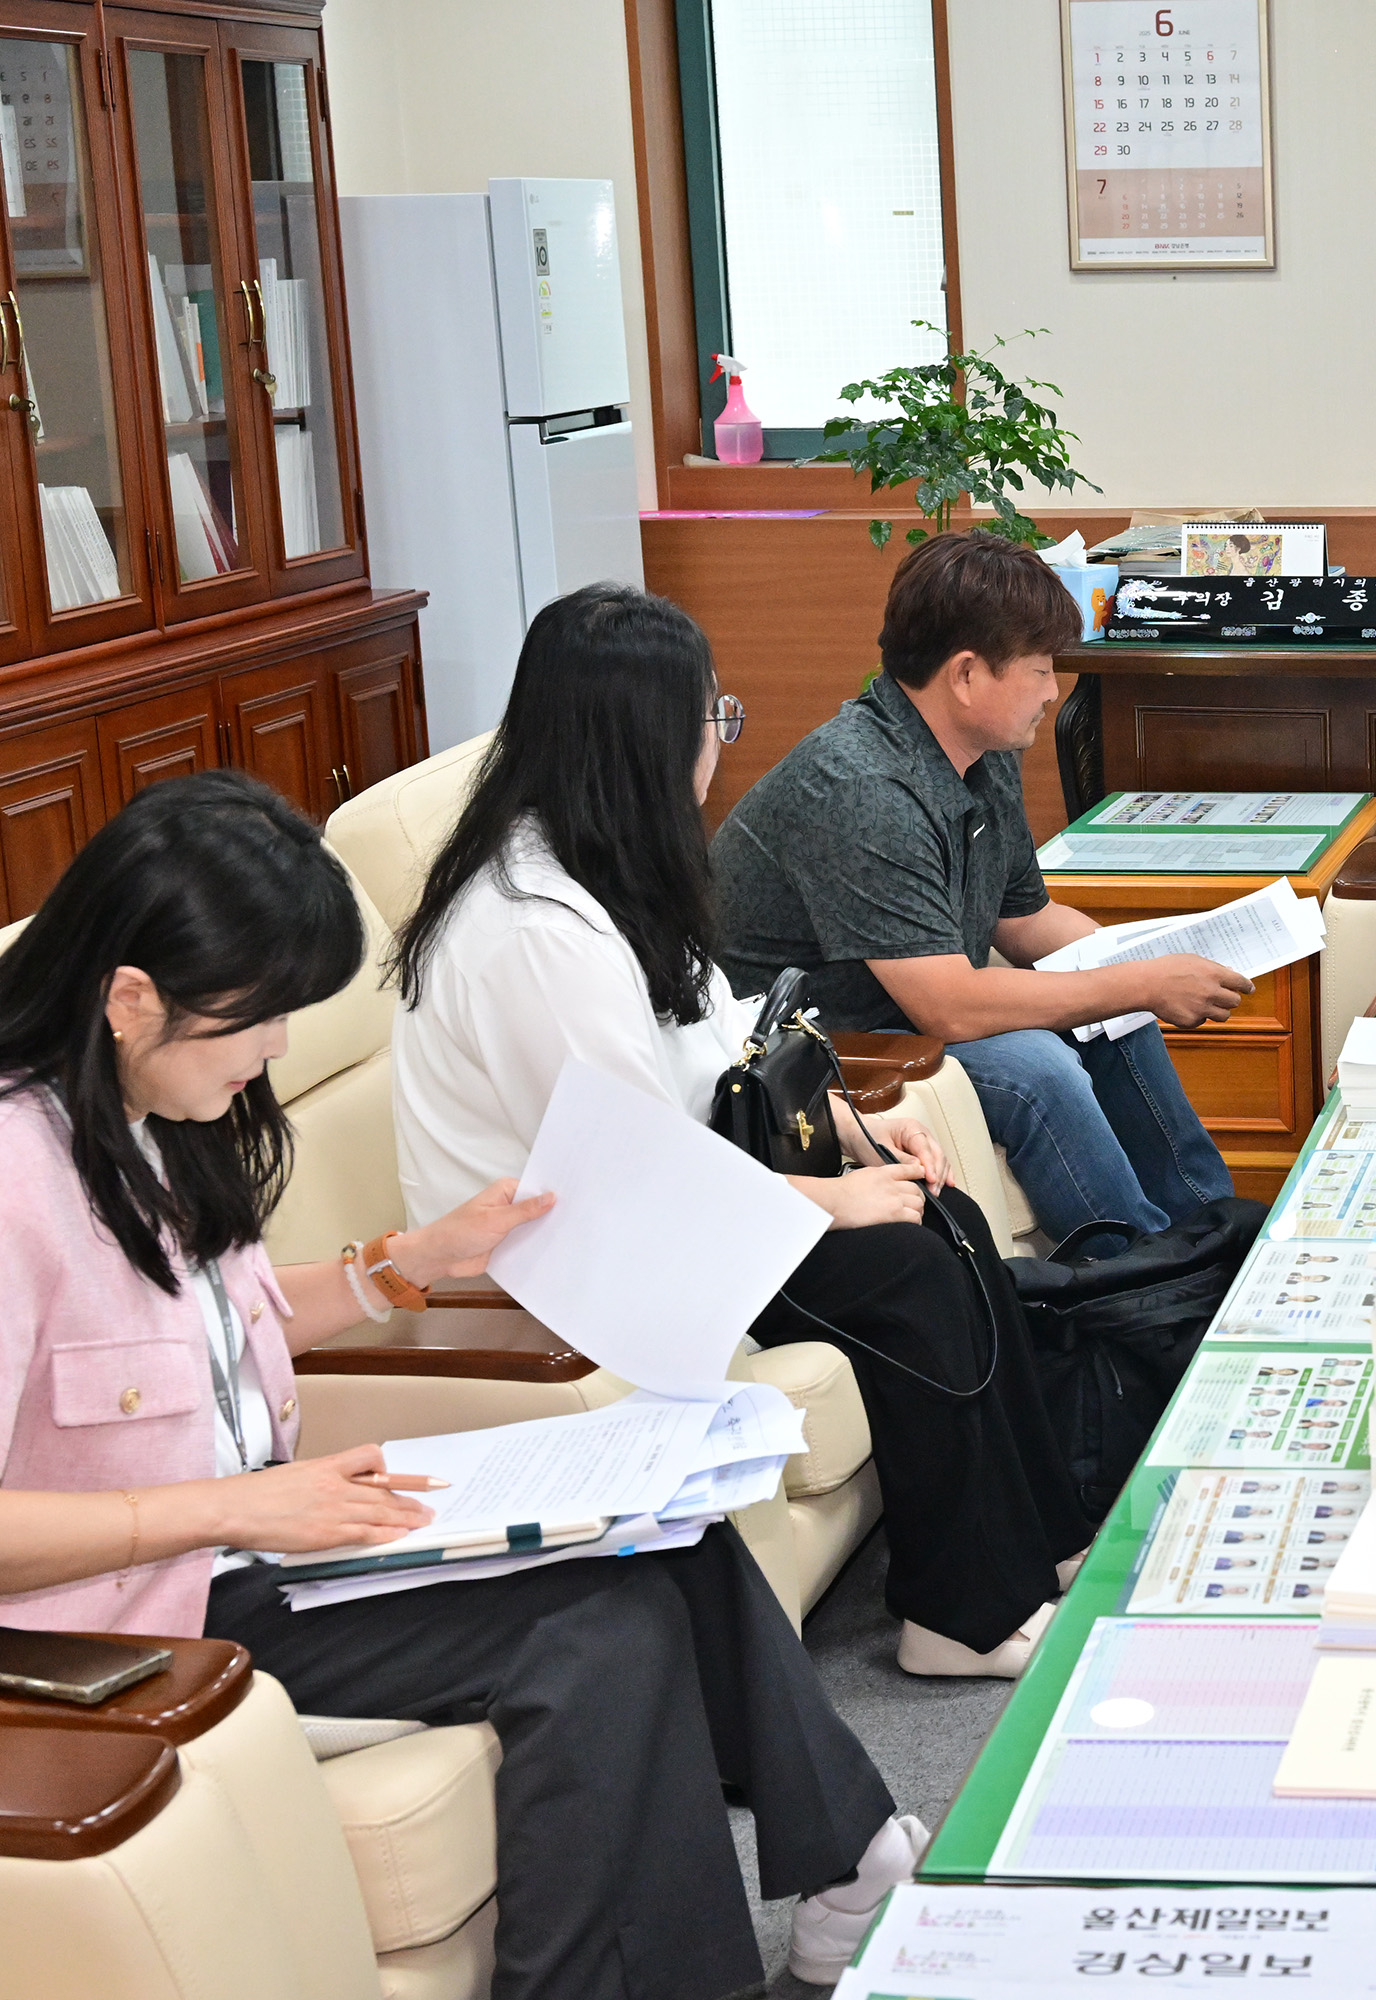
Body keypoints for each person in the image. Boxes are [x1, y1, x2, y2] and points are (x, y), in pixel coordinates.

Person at [0, 772, 926, 1999]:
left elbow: (215, 1320)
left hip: (256, 1547)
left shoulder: (154, 1107)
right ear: (130, 997)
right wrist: (236, 1509)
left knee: (669, 1547)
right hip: (136, 1627)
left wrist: (406, 1264)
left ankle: (844, 1868)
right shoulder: (16, 1175)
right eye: (260, 1017)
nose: (278, 1048)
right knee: (602, 1633)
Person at [394, 583, 1094, 1680]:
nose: (720, 747)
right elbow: (629, 1175)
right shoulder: (534, 929)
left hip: (666, 1210)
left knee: (940, 1212)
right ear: (640, 741)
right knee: (907, 1261)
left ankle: (1041, 1544)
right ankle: (958, 1615)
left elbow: (734, 1045)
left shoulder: (607, 873)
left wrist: (861, 1131)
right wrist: (830, 1200)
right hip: (567, 1265)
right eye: (710, 721)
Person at [714, 532, 1245, 1241]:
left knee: (1117, 1011)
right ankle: (1138, 1279)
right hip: (815, 1044)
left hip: (910, 1004)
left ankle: (1210, 1233)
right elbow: (949, 1007)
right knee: (1039, 1068)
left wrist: (1151, 959)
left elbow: (1026, 922)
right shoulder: (862, 784)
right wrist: (1141, 982)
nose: (1055, 691)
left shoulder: (981, 751)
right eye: (1039, 668)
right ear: (966, 676)